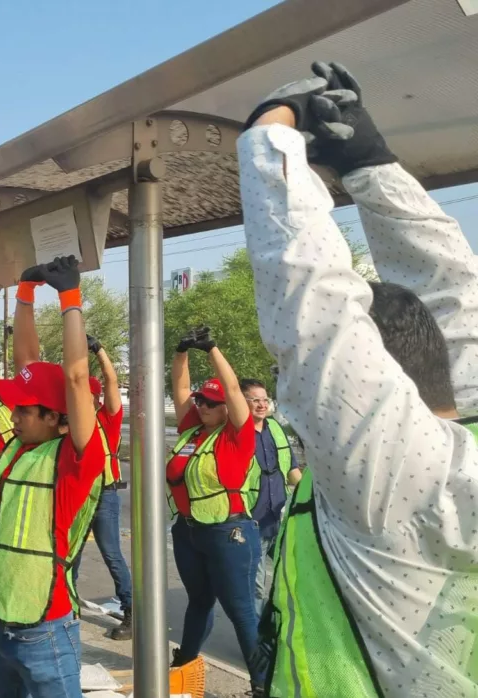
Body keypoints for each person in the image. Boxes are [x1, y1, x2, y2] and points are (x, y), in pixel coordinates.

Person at [242, 62, 478, 697]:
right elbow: (457, 300)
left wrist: (271, 136)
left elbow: (314, 314)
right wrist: (370, 164)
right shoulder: (464, 457)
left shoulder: (398, 474)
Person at [0, 256, 104, 698]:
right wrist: (26, 293)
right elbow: (27, 361)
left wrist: (70, 296)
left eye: (25, 411)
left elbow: (75, 376)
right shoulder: (21, 444)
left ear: (57, 418)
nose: (13, 415)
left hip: (44, 630)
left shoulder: (74, 459)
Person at [166, 326, 262, 689]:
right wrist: (180, 352)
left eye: (210, 403)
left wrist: (213, 349)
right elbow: (179, 389)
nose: (201, 406)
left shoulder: (237, 434)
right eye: (200, 401)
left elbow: (235, 390)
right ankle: (183, 670)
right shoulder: (194, 429)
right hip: (189, 531)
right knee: (199, 602)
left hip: (228, 533)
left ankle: (262, 685)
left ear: (227, 409)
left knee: (241, 613)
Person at [71, 335, 133, 641]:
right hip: (80, 496)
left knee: (112, 554)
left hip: (105, 495)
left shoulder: (107, 418)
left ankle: (132, 611)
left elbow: (111, 380)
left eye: (88, 395)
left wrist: (99, 349)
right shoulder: (72, 421)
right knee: (72, 553)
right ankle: (67, 608)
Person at [238, 377, 300, 615]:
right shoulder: (237, 432)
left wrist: (312, 498)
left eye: (265, 400)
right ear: (242, 402)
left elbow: (292, 471)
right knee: (257, 586)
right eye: (255, 400)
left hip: (280, 518)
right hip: (252, 520)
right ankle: (253, 644)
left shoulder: (275, 429)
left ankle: (277, 630)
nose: (262, 405)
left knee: (290, 578)